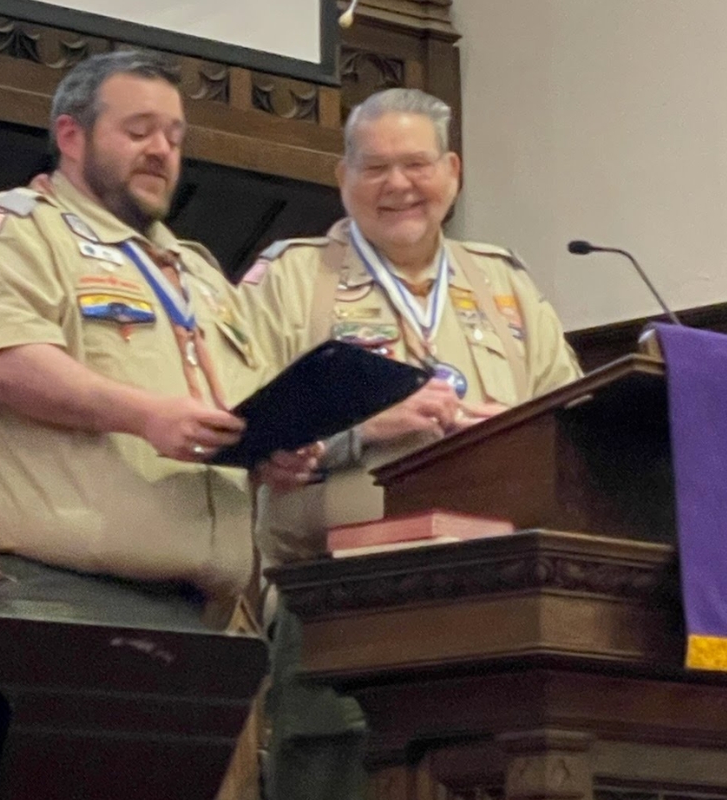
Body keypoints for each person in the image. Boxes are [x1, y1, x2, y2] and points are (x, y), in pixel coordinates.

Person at [238, 88, 583, 800]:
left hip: (493, 610)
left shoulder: (506, 288)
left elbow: (568, 434)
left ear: (452, 172)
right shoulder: (292, 280)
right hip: (341, 606)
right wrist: (365, 429)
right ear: (343, 178)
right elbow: (236, 435)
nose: (398, 185)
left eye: (417, 164)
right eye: (375, 167)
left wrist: (501, 434)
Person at [0, 49, 320, 633]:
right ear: (71, 135)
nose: (161, 150)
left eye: (174, 137)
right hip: (50, 594)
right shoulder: (9, 231)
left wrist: (271, 453)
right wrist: (145, 415)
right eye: (138, 131)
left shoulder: (199, 272)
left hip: (197, 612)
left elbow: (236, 411)